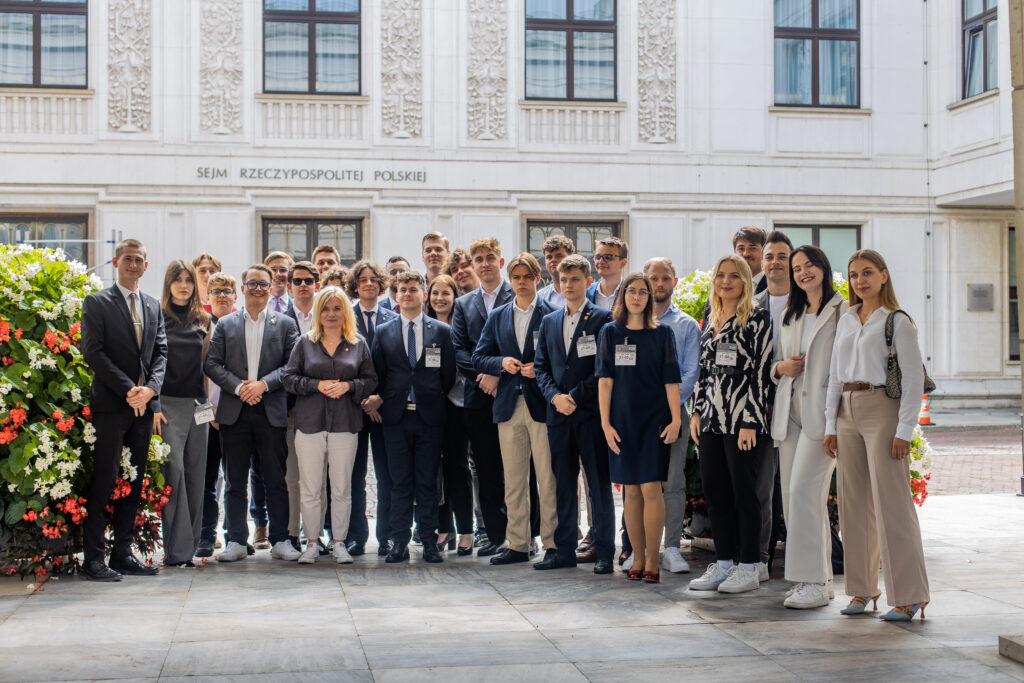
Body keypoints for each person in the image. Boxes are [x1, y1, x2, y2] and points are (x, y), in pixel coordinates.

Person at [824, 249, 930, 621]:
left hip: (882, 409)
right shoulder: (848, 318)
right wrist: (829, 424)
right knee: (852, 506)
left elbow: (914, 380)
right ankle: (861, 591)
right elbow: (835, 375)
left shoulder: (897, 321)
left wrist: (904, 429)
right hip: (847, 412)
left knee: (893, 506)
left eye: (867, 273)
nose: (860, 281)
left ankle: (910, 595)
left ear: (884, 276)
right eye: (853, 275)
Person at [80, 238, 168, 581]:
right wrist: (128, 388)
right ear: (116, 262)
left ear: (146, 266)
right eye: (128, 259)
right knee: (104, 480)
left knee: (133, 482)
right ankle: (93, 560)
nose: (134, 264)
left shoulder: (152, 305)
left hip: (142, 408)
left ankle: (122, 554)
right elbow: (93, 352)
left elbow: (160, 353)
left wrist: (149, 390)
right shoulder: (97, 302)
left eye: (140, 260)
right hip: (111, 406)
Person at [688, 255, 773, 594]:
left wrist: (752, 420)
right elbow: (703, 369)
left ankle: (750, 565)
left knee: (745, 496)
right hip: (710, 420)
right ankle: (724, 564)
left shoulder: (757, 318)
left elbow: (762, 372)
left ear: (745, 281)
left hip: (742, 421)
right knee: (716, 494)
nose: (726, 281)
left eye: (733, 276)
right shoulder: (711, 317)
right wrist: (696, 412)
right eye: (720, 276)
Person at [205, 263, 301, 563]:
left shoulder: (285, 324)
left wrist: (262, 385)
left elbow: (292, 365)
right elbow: (212, 364)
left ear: (271, 287)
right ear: (243, 287)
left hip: (271, 409)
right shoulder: (226, 324)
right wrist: (238, 387)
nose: (258, 288)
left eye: (263, 283)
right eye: (252, 283)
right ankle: (235, 539)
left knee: (275, 477)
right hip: (234, 412)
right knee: (235, 480)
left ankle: (281, 539)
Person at [772, 245, 847, 609]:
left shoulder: (842, 310)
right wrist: (780, 368)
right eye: (797, 267)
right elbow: (774, 362)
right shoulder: (792, 311)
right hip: (790, 413)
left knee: (804, 492)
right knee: (794, 498)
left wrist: (837, 420)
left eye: (809, 265)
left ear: (823, 267)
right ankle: (819, 579)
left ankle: (813, 581)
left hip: (823, 415)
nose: (803, 272)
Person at [596, 272, 682, 583]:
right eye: (631, 291)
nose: (637, 296)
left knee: (651, 487)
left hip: (655, 419)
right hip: (621, 421)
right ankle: (639, 556)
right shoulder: (610, 332)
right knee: (630, 490)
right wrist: (605, 423)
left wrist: (676, 419)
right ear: (623, 296)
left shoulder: (663, 334)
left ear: (649, 298)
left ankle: (654, 562)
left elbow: (672, 380)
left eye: (642, 292)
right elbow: (605, 381)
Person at [473, 253, 558, 565]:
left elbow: (562, 359)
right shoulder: (498, 316)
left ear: (538, 278)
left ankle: (551, 544)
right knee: (514, 478)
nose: (521, 282)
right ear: (510, 280)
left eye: (527, 277)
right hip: (508, 404)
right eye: (516, 277)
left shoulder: (552, 313)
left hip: (542, 404)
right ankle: (519, 543)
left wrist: (541, 369)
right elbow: (478, 356)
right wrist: (501, 363)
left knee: (547, 478)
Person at [282, 286, 377, 564]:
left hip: (345, 425)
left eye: (337, 308)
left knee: (342, 489)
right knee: (310, 487)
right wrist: (316, 385)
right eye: (325, 308)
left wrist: (349, 386)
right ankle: (311, 543)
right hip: (309, 425)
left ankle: (339, 543)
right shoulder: (305, 342)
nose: (331, 314)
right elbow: (289, 379)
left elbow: (371, 381)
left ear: (345, 312)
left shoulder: (358, 343)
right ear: (318, 312)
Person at [366, 271, 456, 563]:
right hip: (396, 418)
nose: (407, 294)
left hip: (429, 417)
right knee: (399, 482)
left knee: (428, 481)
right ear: (396, 295)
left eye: (413, 289)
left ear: (423, 295)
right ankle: (399, 542)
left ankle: (429, 542)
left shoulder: (440, 332)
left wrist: (428, 396)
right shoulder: (384, 331)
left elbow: (447, 376)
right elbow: (379, 374)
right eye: (402, 289)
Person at [534, 255, 615, 574]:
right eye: (564, 280)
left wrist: (575, 396)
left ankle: (605, 551)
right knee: (562, 484)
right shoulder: (550, 321)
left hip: (591, 415)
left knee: (598, 484)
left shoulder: (603, 319)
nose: (569, 285)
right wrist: (555, 397)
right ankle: (563, 550)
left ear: (587, 281)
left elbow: (603, 369)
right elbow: (541, 366)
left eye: (575, 280)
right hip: (559, 417)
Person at [451, 238, 514, 556]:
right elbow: (460, 350)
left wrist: (499, 375)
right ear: (472, 265)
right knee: (487, 469)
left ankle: (524, 533)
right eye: (479, 258)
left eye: (491, 257)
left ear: (500, 262)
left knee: (519, 467)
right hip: (478, 397)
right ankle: (494, 534)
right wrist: (484, 376)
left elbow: (523, 346)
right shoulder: (463, 305)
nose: (485, 263)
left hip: (515, 393)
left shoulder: (516, 294)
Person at [152, 261, 212, 568]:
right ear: (169, 283)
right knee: (172, 477)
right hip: (166, 408)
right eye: (178, 279)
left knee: (195, 475)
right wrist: (155, 407)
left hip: (197, 406)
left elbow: (205, 368)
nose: (184, 285)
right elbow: (147, 366)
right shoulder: (156, 317)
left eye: (189, 280)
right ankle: (175, 551)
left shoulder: (204, 319)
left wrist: (208, 407)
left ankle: (188, 550)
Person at [643, 257, 700, 574]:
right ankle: (638, 547)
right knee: (640, 482)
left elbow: (691, 373)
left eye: (665, 278)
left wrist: (668, 405)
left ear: (674, 282)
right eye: (654, 278)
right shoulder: (631, 321)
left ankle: (672, 548)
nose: (659, 283)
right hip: (638, 414)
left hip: (674, 411)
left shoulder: (687, 326)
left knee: (673, 482)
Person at [346, 259, 398, 556]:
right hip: (352, 407)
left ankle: (387, 535)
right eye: (362, 280)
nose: (368, 284)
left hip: (384, 408)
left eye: (373, 279)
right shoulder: (344, 317)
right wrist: (362, 399)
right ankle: (355, 535)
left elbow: (399, 366)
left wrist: (380, 397)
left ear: (381, 284)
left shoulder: (393, 317)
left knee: (386, 473)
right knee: (353, 475)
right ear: (355, 285)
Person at [753, 231, 793, 578]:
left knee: (799, 488)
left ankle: (804, 559)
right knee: (762, 488)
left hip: (799, 408)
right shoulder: (751, 304)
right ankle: (761, 558)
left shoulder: (810, 303)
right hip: (759, 408)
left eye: (782, 256)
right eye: (770, 256)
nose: (775, 262)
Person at [426, 274, 474, 555]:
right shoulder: (424, 327)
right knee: (434, 470)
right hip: (430, 407)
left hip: (457, 406)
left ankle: (466, 531)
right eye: (435, 294)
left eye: (446, 293)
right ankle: (444, 529)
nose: (440, 299)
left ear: (455, 296)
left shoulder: (461, 325)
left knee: (458, 468)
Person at [281, 261, 321, 549]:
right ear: (288, 286)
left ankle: (317, 535)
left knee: (321, 479)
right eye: (297, 281)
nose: (303, 285)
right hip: (289, 411)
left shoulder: (329, 316)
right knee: (291, 477)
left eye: (308, 280)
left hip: (323, 410)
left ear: (316, 284)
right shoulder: (279, 320)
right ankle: (293, 533)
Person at [196, 272, 237, 557]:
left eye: (228, 290)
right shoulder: (197, 328)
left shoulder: (241, 327)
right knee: (206, 481)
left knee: (236, 481)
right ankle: (206, 535)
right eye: (217, 290)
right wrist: (205, 410)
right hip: (204, 414)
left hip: (236, 414)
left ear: (236, 296)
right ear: (207, 296)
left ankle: (235, 536)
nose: (222, 295)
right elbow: (192, 372)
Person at [586, 236, 628, 309]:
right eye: (598, 257)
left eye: (608, 257)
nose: (601, 261)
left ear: (623, 263)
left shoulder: (631, 292)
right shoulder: (586, 292)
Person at [537, 235, 574, 307]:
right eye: (549, 257)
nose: (553, 260)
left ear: (570, 257)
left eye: (559, 256)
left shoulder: (586, 293)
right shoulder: (540, 297)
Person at [734, 226, 768, 294]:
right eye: (741, 248)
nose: (746, 254)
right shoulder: (723, 287)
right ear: (734, 253)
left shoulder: (774, 287)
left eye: (753, 248)